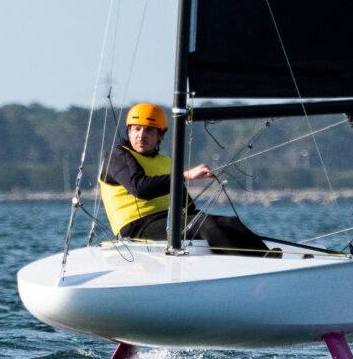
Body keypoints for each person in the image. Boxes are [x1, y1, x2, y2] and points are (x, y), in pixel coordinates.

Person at [97, 103, 279, 256]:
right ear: (129, 132)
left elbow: (187, 206)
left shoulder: (165, 162)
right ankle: (253, 266)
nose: (141, 135)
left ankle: (268, 258)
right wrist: (184, 176)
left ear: (160, 135)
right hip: (135, 229)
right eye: (136, 129)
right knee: (204, 224)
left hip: (167, 221)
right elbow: (140, 188)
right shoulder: (118, 156)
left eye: (149, 130)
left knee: (229, 222)